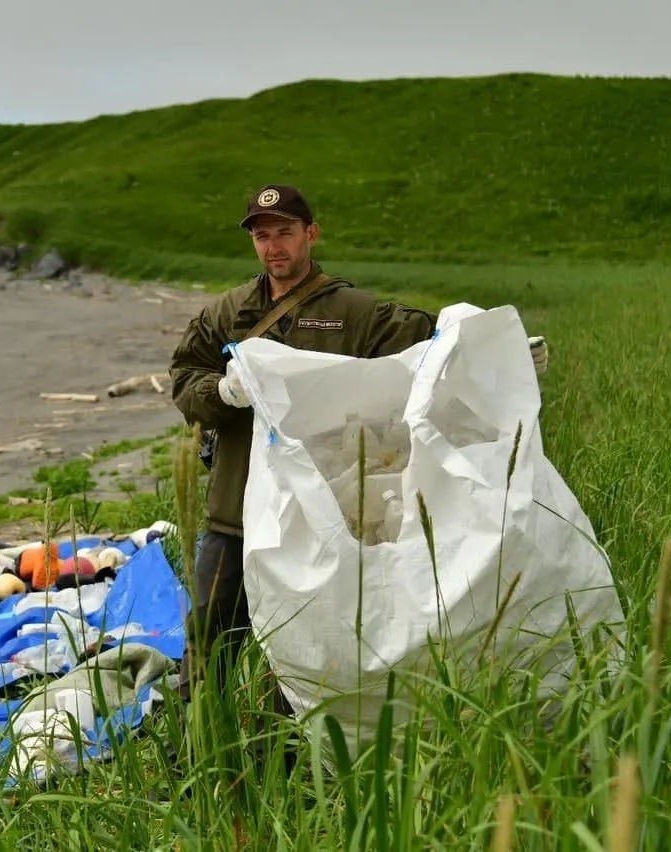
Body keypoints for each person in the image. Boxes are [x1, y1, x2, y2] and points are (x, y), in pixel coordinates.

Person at [168, 183, 550, 709]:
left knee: (309, 641)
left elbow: (434, 343)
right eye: (262, 236)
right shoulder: (227, 313)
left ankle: (291, 752)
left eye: (285, 233)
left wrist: (503, 353)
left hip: (319, 518)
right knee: (209, 636)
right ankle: (195, 748)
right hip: (235, 511)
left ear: (310, 234)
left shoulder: (355, 313)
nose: (273, 246)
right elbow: (185, 379)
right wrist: (224, 392)